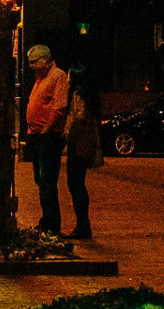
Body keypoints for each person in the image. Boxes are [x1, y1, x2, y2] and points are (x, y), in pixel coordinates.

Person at [24, 43, 71, 233]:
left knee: (47, 181)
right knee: (41, 180)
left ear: (45, 60)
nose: (31, 66)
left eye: (34, 62)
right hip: (37, 135)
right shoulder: (41, 78)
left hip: (48, 136)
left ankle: (51, 224)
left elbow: (59, 107)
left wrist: (46, 129)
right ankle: (47, 220)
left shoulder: (57, 76)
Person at [63, 65, 104, 240]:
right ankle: (83, 224)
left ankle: (82, 225)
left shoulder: (78, 94)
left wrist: (67, 135)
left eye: (70, 76)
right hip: (85, 143)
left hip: (78, 144)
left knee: (75, 184)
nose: (67, 79)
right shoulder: (90, 95)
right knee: (78, 184)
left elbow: (78, 118)